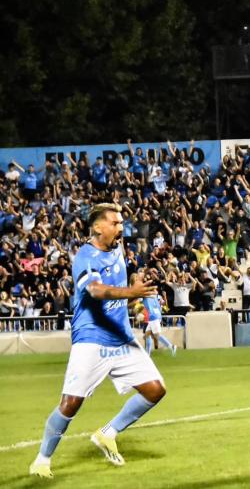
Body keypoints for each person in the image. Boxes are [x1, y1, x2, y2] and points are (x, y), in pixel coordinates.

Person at [29, 203, 165, 479]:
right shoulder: (85, 256)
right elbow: (95, 290)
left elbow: (128, 283)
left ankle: (107, 433)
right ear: (97, 227)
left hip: (120, 337)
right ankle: (42, 460)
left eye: (121, 223)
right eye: (115, 223)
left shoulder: (118, 248)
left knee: (155, 390)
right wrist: (130, 293)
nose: (120, 228)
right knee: (70, 404)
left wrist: (144, 309)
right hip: (91, 339)